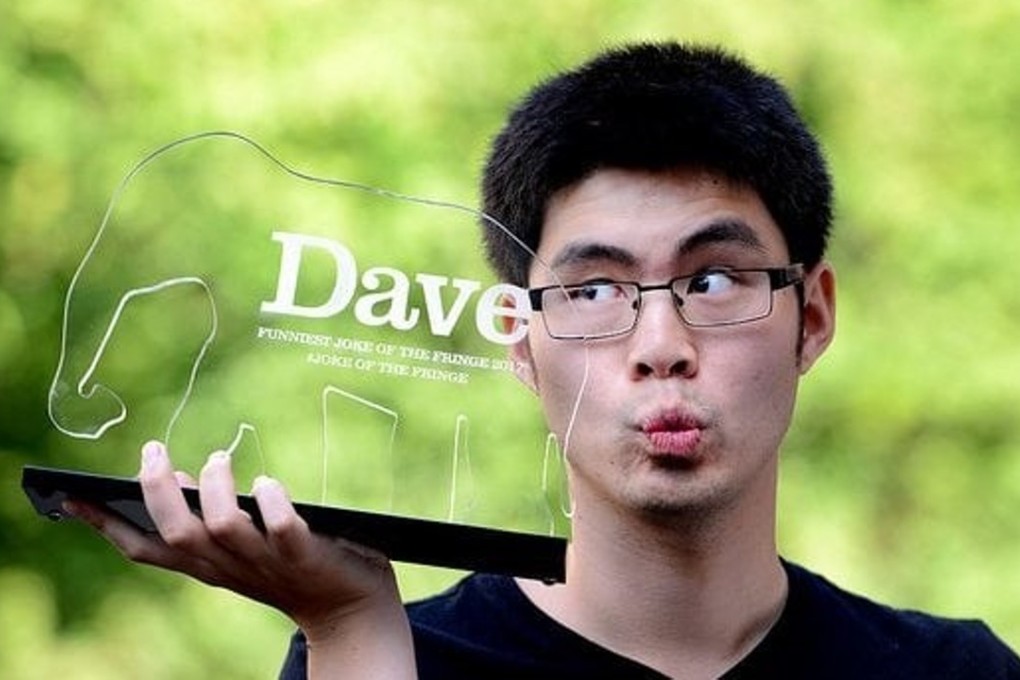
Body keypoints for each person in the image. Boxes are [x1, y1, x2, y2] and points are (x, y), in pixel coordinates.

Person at [65, 41, 1020, 679]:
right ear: (520, 339)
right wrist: (349, 630)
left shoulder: (956, 672)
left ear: (810, 317)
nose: (661, 349)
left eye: (715, 281)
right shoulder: (392, 652)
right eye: (596, 291)